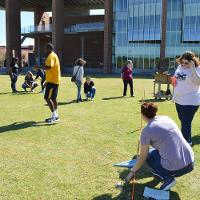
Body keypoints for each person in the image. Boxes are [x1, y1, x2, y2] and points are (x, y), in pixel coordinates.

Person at [125, 102, 194, 191]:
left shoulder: (146, 131)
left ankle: (168, 179)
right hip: (191, 162)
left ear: (142, 115)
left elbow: (143, 156)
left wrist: (132, 172)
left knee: (149, 154)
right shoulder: (166, 118)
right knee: (154, 151)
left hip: (179, 168)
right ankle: (161, 172)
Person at [172, 51, 200, 145]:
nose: (183, 64)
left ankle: (186, 143)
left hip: (190, 101)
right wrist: (174, 82)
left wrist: (192, 67)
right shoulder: (180, 67)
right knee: (184, 122)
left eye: (186, 63)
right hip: (179, 100)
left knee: (186, 123)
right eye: (182, 62)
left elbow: (198, 82)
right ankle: (187, 140)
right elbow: (178, 78)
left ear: (192, 62)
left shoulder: (197, 68)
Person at [44, 43, 61, 124]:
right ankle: (56, 116)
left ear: (49, 49)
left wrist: (38, 67)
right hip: (55, 80)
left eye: (46, 49)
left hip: (52, 81)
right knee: (53, 98)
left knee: (47, 98)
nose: (45, 50)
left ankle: (54, 117)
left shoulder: (51, 56)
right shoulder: (54, 55)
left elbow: (48, 67)